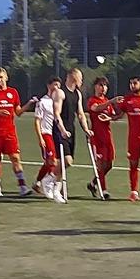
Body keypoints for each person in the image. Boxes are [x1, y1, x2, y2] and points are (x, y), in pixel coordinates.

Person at [0, 67, 37, 196]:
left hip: (9, 132)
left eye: (1, 77)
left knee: (15, 158)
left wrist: (29, 104)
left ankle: (23, 186)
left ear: (6, 78)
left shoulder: (13, 92)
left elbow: (18, 112)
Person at [51, 68, 93, 200]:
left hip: (71, 130)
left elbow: (80, 114)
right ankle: (55, 189)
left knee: (68, 162)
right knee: (66, 160)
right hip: (59, 130)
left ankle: (50, 179)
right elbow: (56, 113)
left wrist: (86, 129)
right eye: (80, 78)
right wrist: (62, 130)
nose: (81, 81)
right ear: (74, 77)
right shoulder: (60, 92)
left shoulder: (77, 94)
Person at [86, 77, 123, 200]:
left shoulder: (106, 101)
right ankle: (104, 190)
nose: (103, 88)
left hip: (107, 137)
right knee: (101, 165)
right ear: (95, 86)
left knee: (109, 164)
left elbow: (114, 116)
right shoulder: (92, 100)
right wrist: (111, 101)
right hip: (97, 138)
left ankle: (92, 184)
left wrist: (122, 110)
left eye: (105, 85)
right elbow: (96, 108)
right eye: (100, 85)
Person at [33, 77, 64, 202]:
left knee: (50, 161)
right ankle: (47, 183)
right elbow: (37, 121)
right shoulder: (43, 102)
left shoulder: (57, 101)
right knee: (52, 161)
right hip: (46, 133)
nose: (57, 88)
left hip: (54, 134)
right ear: (49, 85)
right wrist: (40, 137)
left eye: (59, 85)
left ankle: (38, 182)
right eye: (55, 84)